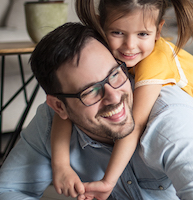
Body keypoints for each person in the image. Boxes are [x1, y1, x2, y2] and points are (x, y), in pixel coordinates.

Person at [0, 22, 193, 200]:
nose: (114, 97)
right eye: (90, 91)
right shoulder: (50, 121)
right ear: (59, 107)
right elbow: (4, 191)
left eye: (114, 74)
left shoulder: (170, 118)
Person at [50, 0, 193, 198]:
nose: (130, 46)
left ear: (158, 31)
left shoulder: (156, 60)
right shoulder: (99, 48)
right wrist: (60, 166)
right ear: (101, 25)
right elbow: (67, 109)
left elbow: (135, 124)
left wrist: (108, 181)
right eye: (118, 32)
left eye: (142, 34)